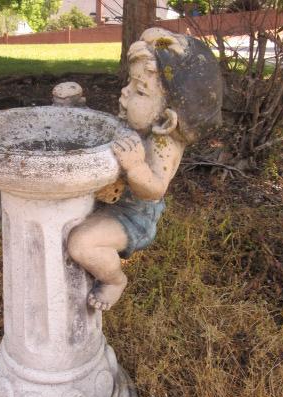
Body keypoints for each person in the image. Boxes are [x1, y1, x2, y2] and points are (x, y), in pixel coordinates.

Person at [68, 27, 223, 311]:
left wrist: (137, 167)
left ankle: (114, 279)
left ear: (166, 119)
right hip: (107, 197)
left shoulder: (163, 145)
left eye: (140, 90)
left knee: (81, 244)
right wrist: (76, 111)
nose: (125, 93)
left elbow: (155, 190)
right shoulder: (139, 121)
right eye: (130, 82)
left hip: (133, 215)